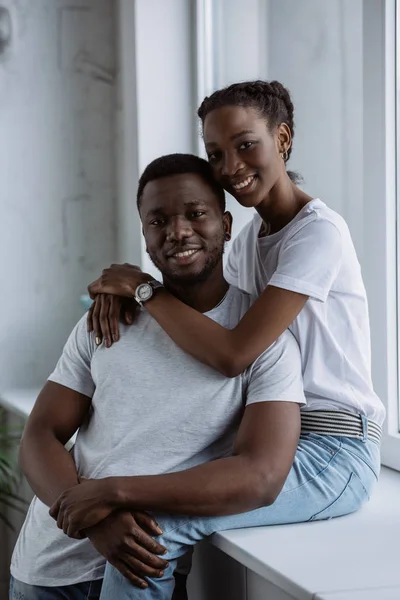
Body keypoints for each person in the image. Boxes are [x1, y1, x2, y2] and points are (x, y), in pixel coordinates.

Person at [86, 81, 385, 599]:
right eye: (216, 153)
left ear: (283, 139)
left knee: (155, 524)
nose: (230, 166)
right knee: (154, 495)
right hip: (275, 438)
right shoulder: (248, 240)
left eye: (246, 144)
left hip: (336, 451)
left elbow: (233, 353)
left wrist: (142, 287)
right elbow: (206, 316)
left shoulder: (319, 233)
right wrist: (122, 295)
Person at [10, 153, 308, 600]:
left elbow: (260, 477)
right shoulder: (109, 319)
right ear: (146, 237)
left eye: (196, 214)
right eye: (158, 220)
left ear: (226, 226)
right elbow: (40, 434)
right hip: (45, 573)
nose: (178, 231)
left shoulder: (260, 340)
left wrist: (113, 497)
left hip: (143, 577)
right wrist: (97, 521)